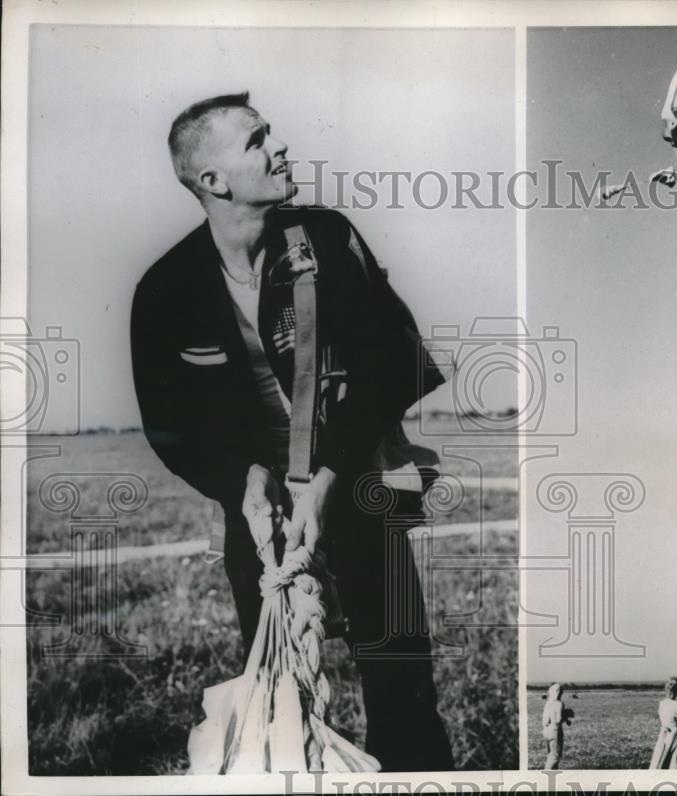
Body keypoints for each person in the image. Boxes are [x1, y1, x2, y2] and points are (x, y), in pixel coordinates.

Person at [130, 92, 453, 771]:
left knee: (401, 687)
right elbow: (171, 427)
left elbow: (391, 361)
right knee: (277, 691)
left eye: (271, 133)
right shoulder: (165, 289)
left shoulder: (329, 238)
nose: (280, 146)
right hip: (261, 516)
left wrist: (330, 475)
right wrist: (242, 480)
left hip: (358, 484)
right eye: (257, 140)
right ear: (213, 181)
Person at [649, 676, 677, 769]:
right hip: (675, 735)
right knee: (675, 761)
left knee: (660, 758)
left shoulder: (662, 704)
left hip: (663, 733)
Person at [541, 683, 573, 769]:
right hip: (555, 731)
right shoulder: (559, 703)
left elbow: (546, 719)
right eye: (561, 692)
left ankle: (553, 777)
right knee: (555, 757)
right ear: (558, 692)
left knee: (550, 755)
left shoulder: (547, 703)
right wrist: (566, 717)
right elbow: (558, 720)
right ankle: (545, 774)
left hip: (546, 731)